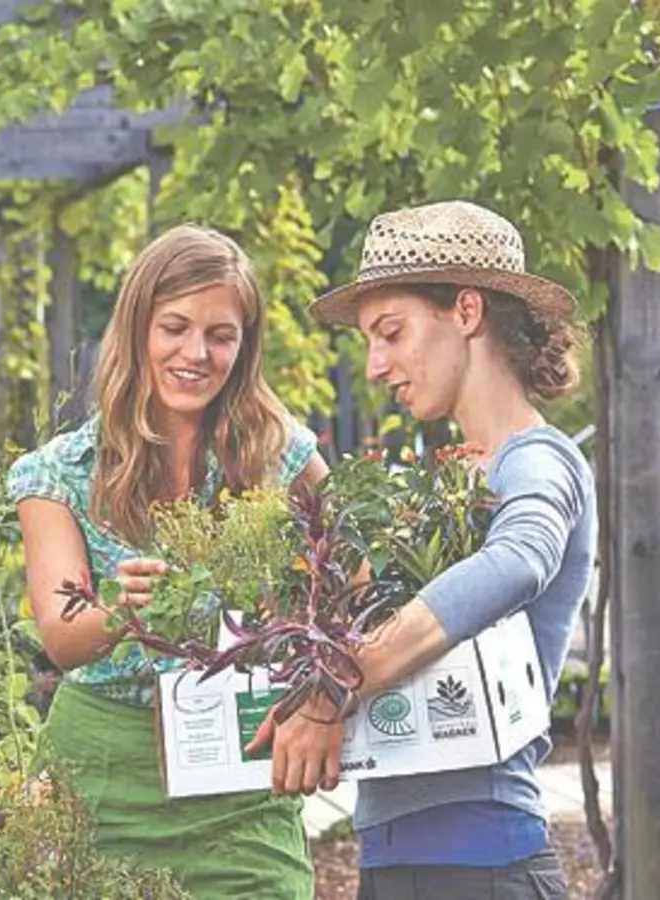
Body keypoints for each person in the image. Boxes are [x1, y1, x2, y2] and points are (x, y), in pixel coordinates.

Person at [256, 200, 596, 899]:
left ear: (466, 311)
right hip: (398, 863)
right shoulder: (452, 478)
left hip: (481, 865)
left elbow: (519, 558)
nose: (376, 366)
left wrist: (336, 683)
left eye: (391, 333)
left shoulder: (536, 462)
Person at [7, 224, 326, 897]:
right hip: (99, 776)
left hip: (240, 773)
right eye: (174, 328)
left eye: (220, 335)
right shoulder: (59, 474)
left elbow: (353, 594)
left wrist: (309, 663)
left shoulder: (283, 456)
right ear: (137, 331)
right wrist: (120, 612)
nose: (196, 353)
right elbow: (62, 638)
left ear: (243, 347)